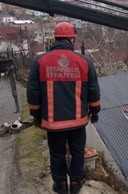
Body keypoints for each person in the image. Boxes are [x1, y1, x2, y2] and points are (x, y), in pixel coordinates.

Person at [27, 22, 100, 194]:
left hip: (53, 123)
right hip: (77, 121)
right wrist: (95, 111)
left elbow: (33, 91)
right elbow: (93, 90)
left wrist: (35, 114)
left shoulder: (40, 61)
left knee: (57, 153)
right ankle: (75, 183)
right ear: (72, 39)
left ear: (55, 37)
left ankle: (59, 185)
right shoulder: (84, 61)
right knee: (77, 151)